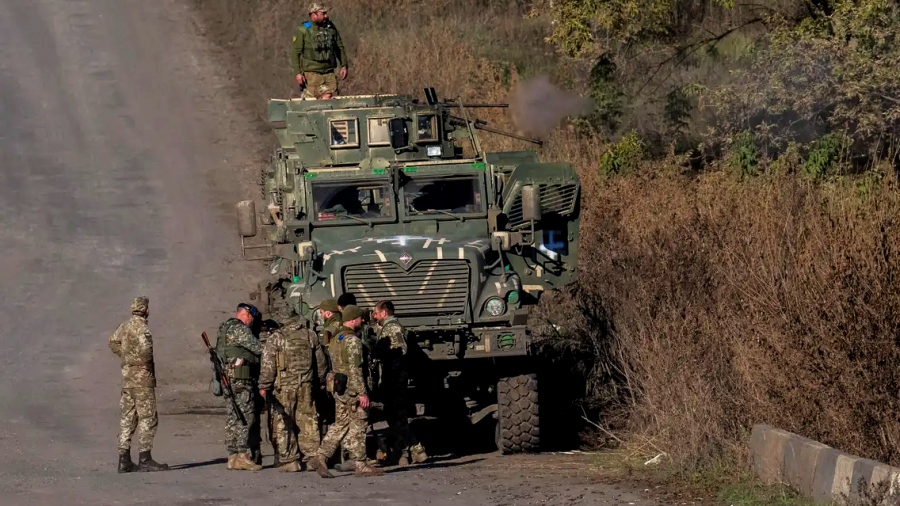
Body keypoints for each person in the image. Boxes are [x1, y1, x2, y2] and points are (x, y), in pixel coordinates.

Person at [308, 305, 382, 477]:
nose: (362, 320)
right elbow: (355, 369)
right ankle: (360, 463)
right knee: (359, 424)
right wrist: (362, 393)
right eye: (359, 318)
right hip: (352, 390)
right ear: (353, 319)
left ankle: (320, 456)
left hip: (340, 387)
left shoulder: (337, 338)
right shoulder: (352, 341)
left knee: (340, 424)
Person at [258, 309, 329, 472]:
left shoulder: (276, 338)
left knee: (284, 422)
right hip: (306, 385)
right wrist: (321, 380)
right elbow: (321, 362)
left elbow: (268, 365)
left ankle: (290, 460)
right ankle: (311, 457)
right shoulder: (310, 335)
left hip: (284, 388)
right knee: (308, 420)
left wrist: (264, 385)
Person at [108, 296, 168, 473]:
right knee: (148, 417)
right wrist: (139, 361)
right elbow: (146, 351)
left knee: (127, 418)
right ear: (146, 310)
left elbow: (112, 341)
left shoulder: (125, 326)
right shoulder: (142, 328)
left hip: (128, 379)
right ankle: (145, 458)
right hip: (142, 379)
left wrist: (126, 356)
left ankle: (124, 458)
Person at [372, 300, 428, 465]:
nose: (375, 316)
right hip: (392, 377)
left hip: (395, 378)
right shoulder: (386, 328)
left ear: (384, 313)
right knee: (394, 416)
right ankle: (407, 451)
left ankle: (415, 450)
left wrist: (381, 351)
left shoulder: (394, 328)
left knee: (397, 417)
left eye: (376, 312)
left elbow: (400, 348)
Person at [217, 303, 264, 471]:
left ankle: (232, 456)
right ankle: (243, 456)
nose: (251, 321)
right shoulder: (240, 329)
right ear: (246, 315)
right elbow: (259, 348)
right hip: (240, 379)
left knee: (232, 417)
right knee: (245, 415)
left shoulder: (225, 328)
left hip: (227, 378)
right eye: (251, 317)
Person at [292, 3, 349, 100]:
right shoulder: (303, 30)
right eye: (323, 13)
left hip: (329, 73)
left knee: (332, 102)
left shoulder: (330, 28)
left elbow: (339, 47)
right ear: (314, 15)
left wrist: (344, 65)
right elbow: (295, 53)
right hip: (312, 75)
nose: (326, 16)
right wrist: (298, 73)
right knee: (314, 104)